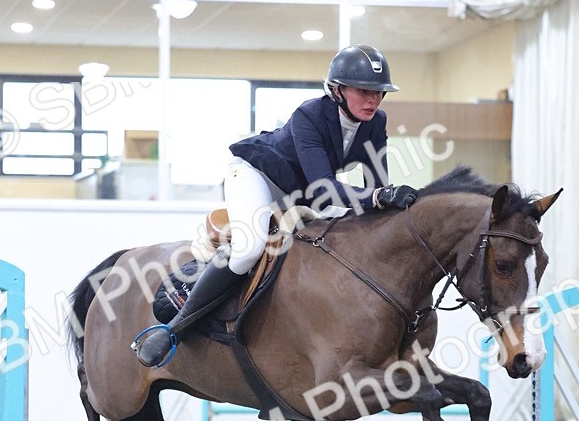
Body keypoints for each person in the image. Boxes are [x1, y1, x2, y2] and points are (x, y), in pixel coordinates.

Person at [133, 44, 418, 367]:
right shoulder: (310, 115)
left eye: (379, 93)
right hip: (257, 177)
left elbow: (377, 186)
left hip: (302, 193)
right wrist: (380, 197)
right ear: (337, 91)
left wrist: (401, 203)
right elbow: (326, 189)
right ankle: (174, 329)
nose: (373, 100)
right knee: (250, 247)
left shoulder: (375, 122)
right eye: (364, 91)